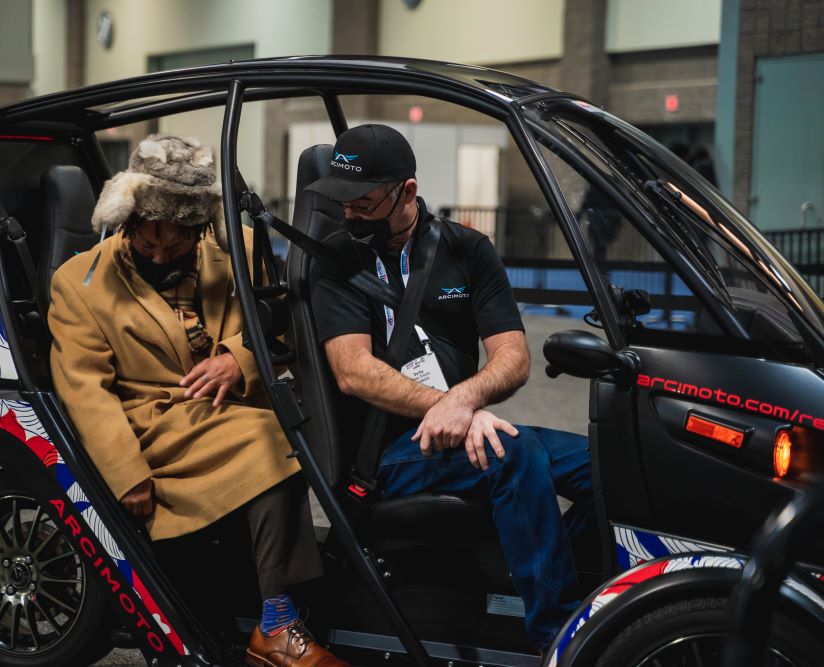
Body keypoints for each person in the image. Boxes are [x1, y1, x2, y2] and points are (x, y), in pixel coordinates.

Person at [49, 135, 347, 667]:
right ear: (128, 221)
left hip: (225, 412)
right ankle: (277, 623)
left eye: (176, 244)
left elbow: (283, 331)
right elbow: (84, 388)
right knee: (275, 443)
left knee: (301, 431)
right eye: (147, 242)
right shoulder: (78, 283)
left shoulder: (244, 250)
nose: (161, 255)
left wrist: (240, 359)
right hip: (150, 425)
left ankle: (287, 609)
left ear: (200, 227)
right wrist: (126, 474)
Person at [306, 124, 594, 652]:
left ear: (407, 193)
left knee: (608, 466)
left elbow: (513, 356)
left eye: (363, 203)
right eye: (341, 202)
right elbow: (355, 372)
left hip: (461, 428)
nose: (349, 215)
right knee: (513, 451)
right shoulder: (335, 260)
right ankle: (558, 638)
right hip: (388, 451)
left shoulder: (467, 249)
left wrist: (464, 401)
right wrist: (451, 405)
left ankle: (562, 583)